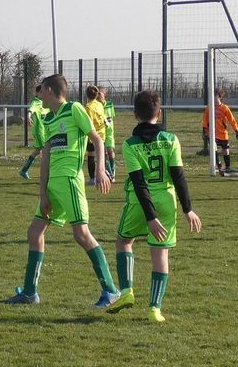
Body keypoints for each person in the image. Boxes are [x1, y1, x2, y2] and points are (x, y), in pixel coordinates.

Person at [3, 74, 120, 307]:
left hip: (69, 181)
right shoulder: (48, 119)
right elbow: (46, 158)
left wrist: (100, 170)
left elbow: (97, 140)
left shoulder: (74, 109)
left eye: (41, 91)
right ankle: (29, 293)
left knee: (81, 234)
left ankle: (110, 290)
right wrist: (43, 193)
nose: (39, 95)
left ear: (49, 89)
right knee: (34, 233)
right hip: (53, 185)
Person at [113, 91, 202, 321]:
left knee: (124, 241)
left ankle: (127, 291)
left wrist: (150, 216)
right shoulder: (171, 140)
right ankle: (155, 309)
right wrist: (188, 209)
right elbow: (179, 176)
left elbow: (139, 183)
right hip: (166, 201)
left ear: (135, 115)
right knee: (160, 254)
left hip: (139, 202)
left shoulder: (130, 144)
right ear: (159, 113)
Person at [201, 87, 238, 176]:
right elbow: (205, 121)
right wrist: (204, 131)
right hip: (212, 134)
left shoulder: (225, 108)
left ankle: (228, 167)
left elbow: (232, 120)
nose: (213, 97)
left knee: (225, 151)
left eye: (215, 95)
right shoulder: (209, 108)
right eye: (212, 95)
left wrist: (237, 131)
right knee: (214, 149)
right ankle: (219, 167)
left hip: (223, 134)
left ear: (220, 96)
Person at [17, 91, 47, 179]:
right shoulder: (36, 102)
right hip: (39, 131)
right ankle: (47, 174)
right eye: (41, 92)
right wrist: (28, 116)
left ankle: (24, 170)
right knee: (46, 151)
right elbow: (30, 110)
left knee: (38, 151)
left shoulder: (45, 103)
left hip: (45, 131)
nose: (43, 93)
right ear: (37, 93)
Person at [83, 85, 109, 185]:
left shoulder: (88, 107)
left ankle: (92, 178)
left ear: (86, 95)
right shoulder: (100, 105)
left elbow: (88, 122)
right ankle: (105, 174)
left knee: (91, 156)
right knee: (101, 156)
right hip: (102, 134)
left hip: (93, 136)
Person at [101, 87, 117, 178]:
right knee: (104, 153)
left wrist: (107, 123)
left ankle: (113, 170)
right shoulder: (96, 106)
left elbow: (111, 117)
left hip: (109, 132)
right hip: (101, 132)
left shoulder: (110, 105)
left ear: (104, 95)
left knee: (110, 151)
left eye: (100, 94)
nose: (98, 95)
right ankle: (109, 173)